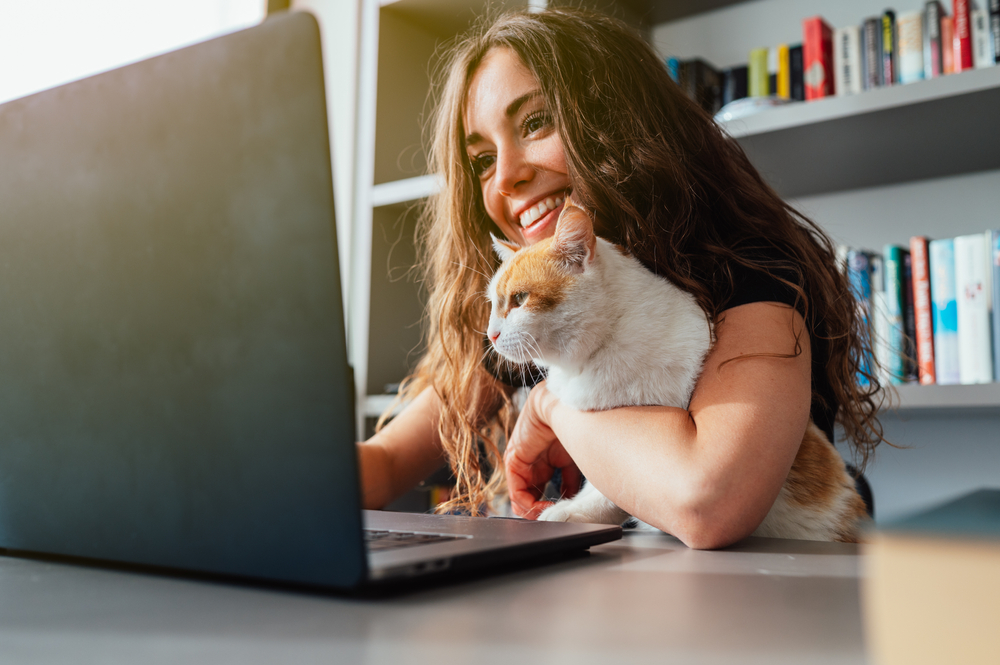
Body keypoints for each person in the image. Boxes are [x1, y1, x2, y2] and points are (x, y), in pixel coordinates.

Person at [357, 8, 884, 549]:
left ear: (618, 119)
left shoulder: (748, 270)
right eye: (483, 160)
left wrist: (551, 407)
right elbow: (387, 460)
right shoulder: (532, 310)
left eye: (536, 123)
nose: (508, 176)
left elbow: (707, 500)